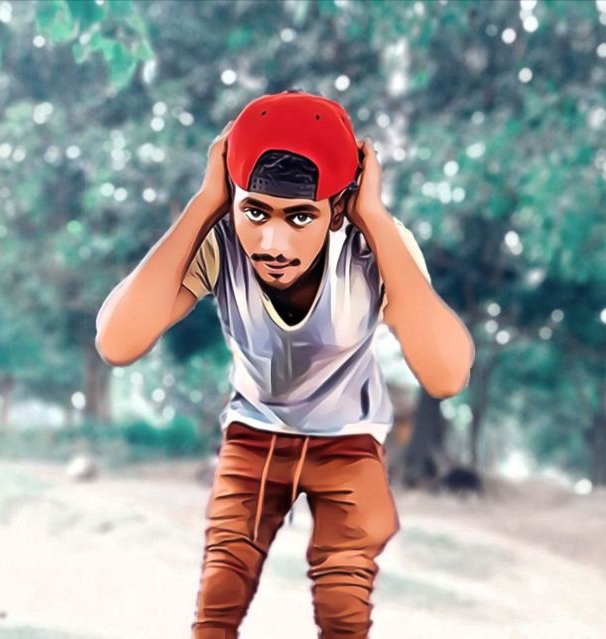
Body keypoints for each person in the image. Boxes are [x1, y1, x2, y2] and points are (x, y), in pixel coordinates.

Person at [95, 90, 475, 639]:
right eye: (256, 212)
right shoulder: (222, 242)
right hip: (255, 436)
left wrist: (374, 217)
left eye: (300, 216)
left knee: (344, 607)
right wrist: (206, 203)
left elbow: (447, 375)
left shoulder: (373, 249)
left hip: (347, 442)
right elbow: (117, 342)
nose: (273, 244)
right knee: (218, 601)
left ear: (337, 208)